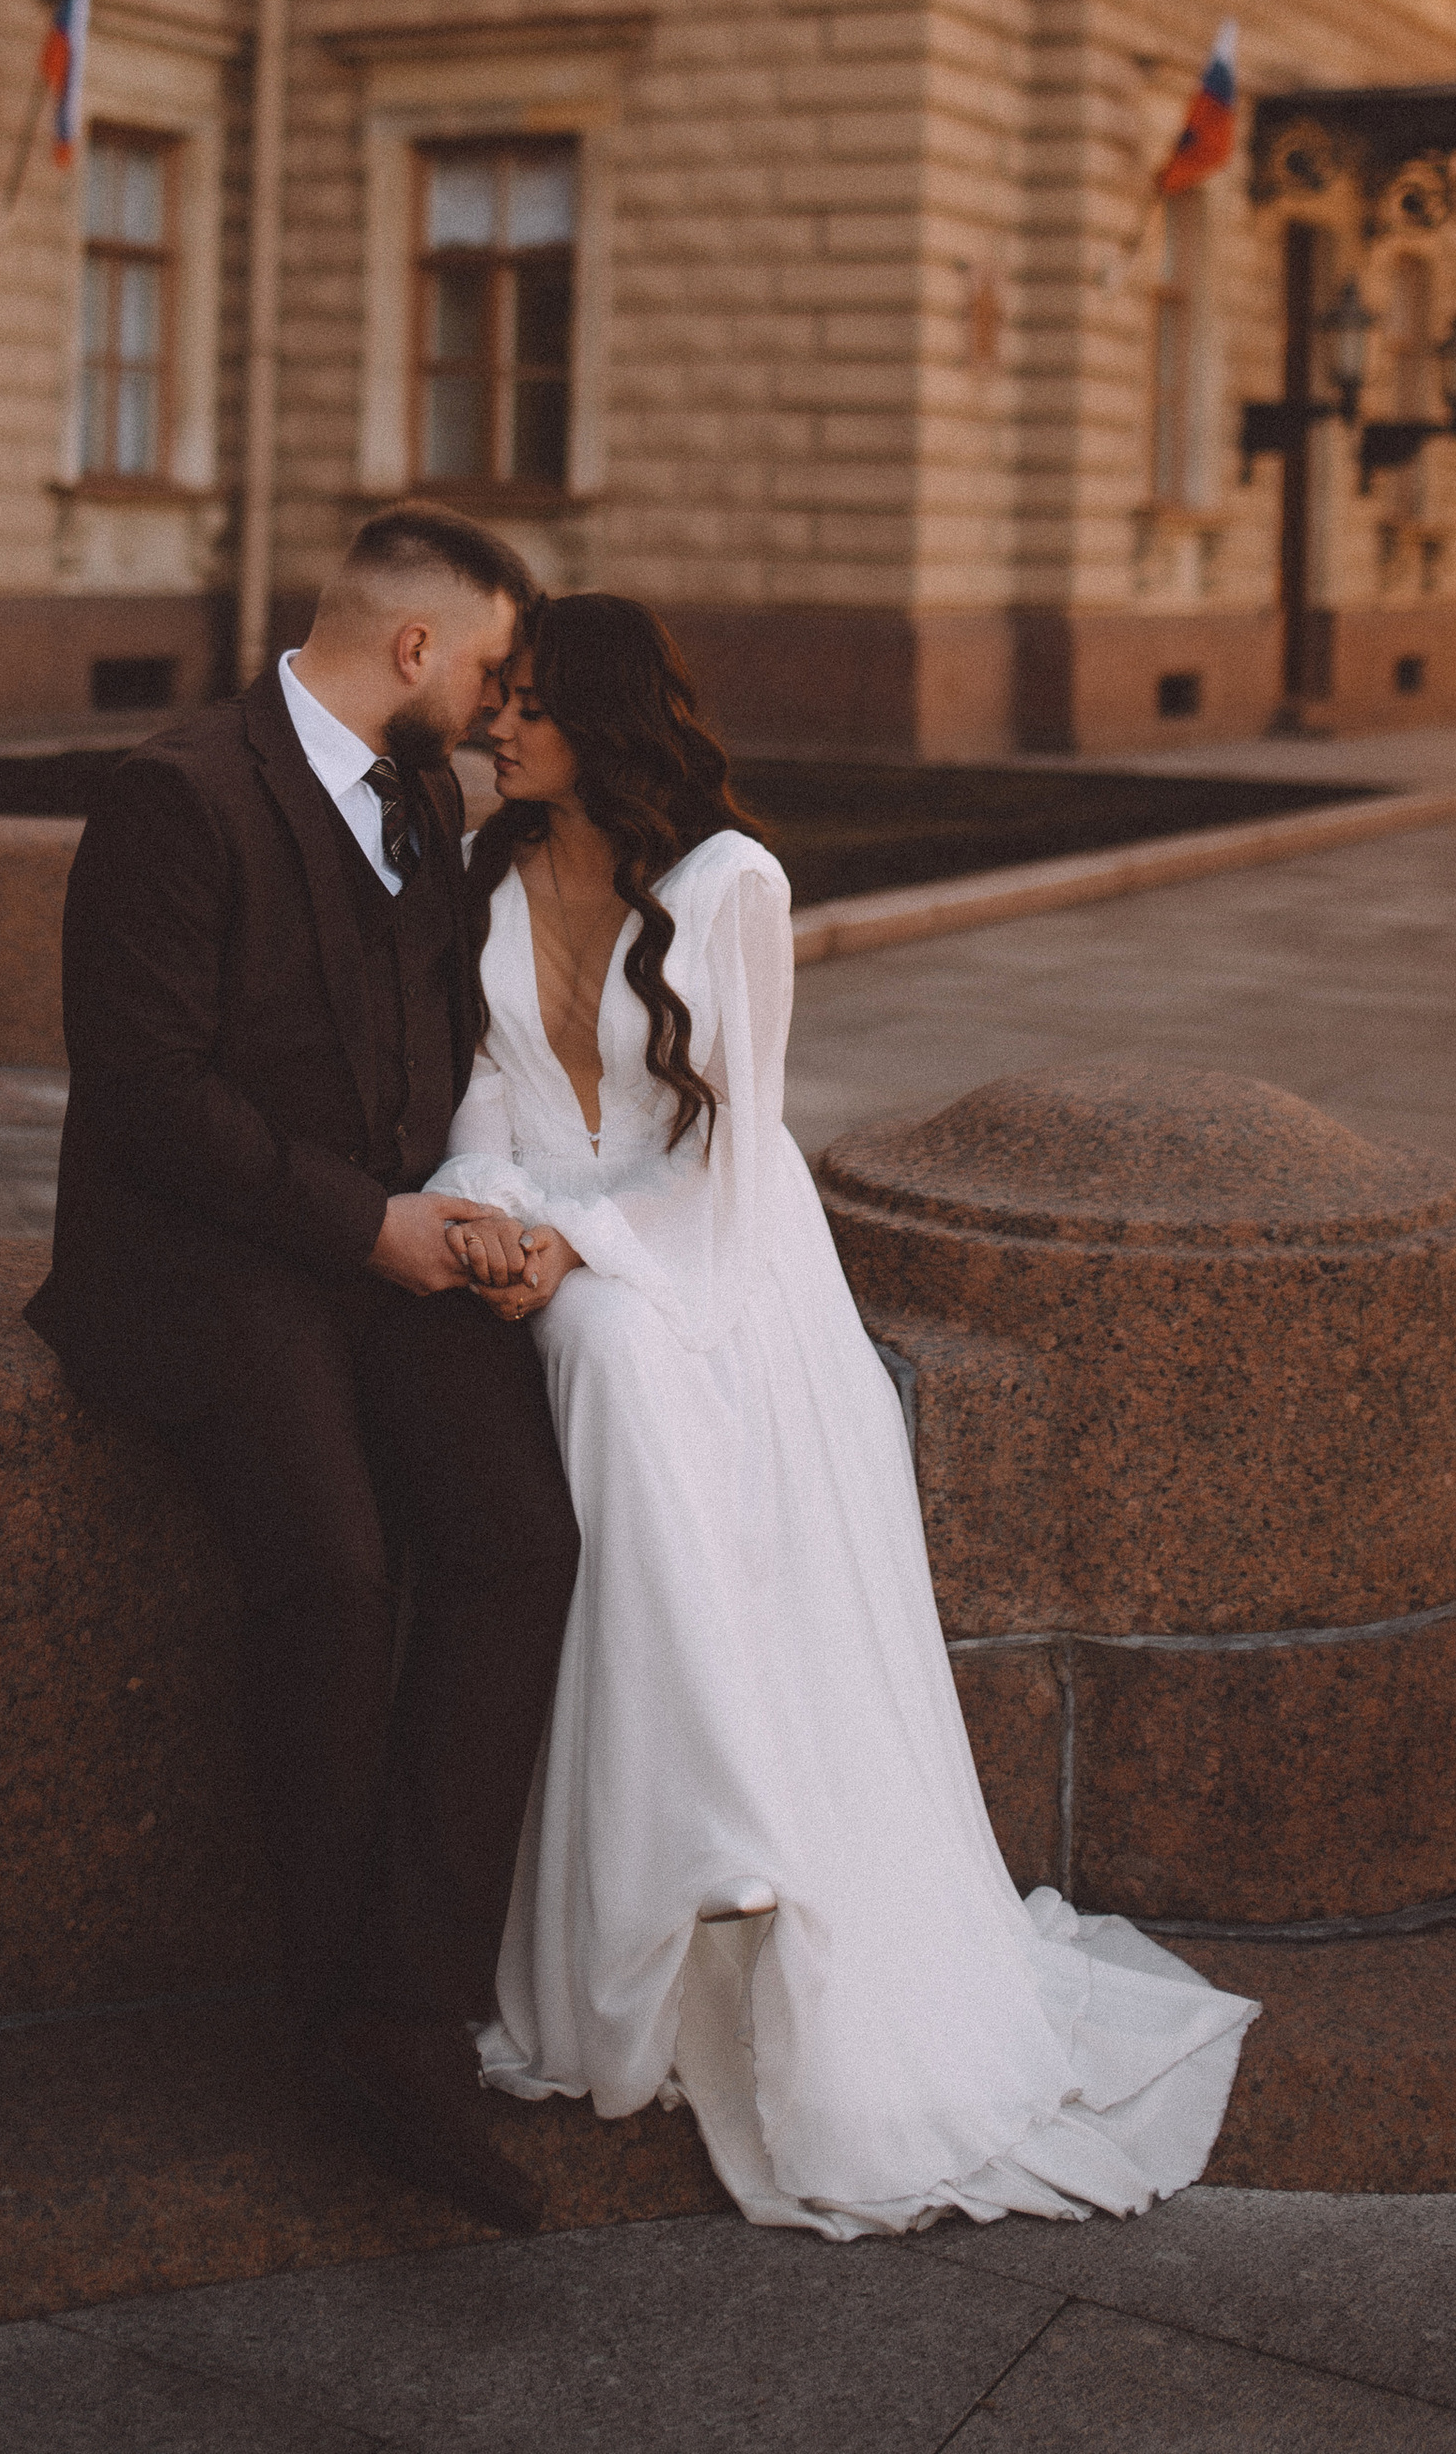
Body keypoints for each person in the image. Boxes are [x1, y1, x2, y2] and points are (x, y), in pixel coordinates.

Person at [431, 592, 1258, 2238]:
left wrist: (570, 1252)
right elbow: (481, 1094)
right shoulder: (489, 878)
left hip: (718, 1260)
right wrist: (485, 1214)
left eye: (524, 703)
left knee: (612, 1361)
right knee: (596, 1354)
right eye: (493, 701)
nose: (493, 729)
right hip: (544, 1235)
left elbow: (724, 1167)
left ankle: (739, 1844)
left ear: (601, 715)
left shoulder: (735, 885)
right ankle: (684, 1871)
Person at [27, 504, 576, 2234]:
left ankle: (414, 1989)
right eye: (489, 671)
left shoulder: (424, 794)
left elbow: (442, 1044)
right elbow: (148, 1093)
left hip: (383, 1250)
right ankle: (347, 2021)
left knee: (517, 1542)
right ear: (414, 650)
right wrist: (370, 1229)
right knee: (334, 1579)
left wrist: (481, 1218)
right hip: (208, 1262)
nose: (500, 714)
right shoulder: (175, 797)